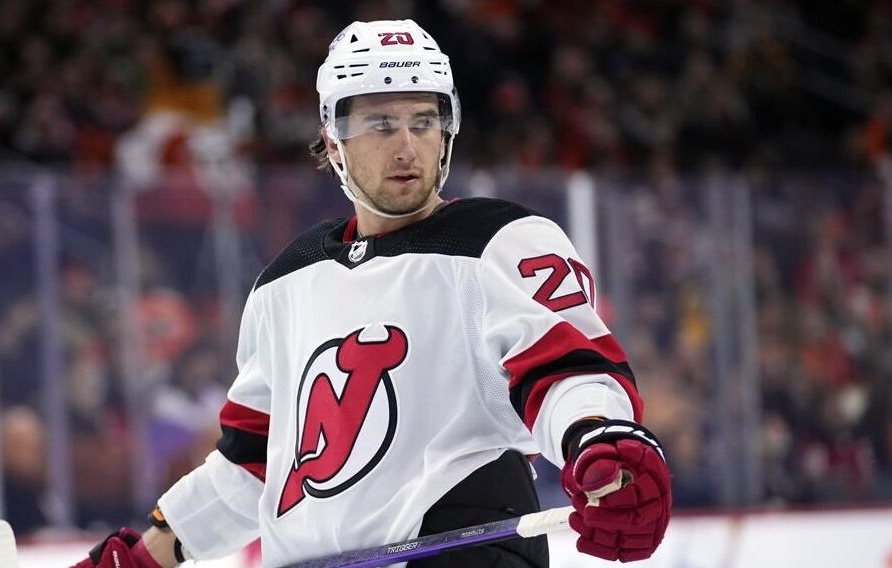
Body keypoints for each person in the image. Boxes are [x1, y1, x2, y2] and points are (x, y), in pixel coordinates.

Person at [74, 19, 671, 568]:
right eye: (381, 125)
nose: (407, 146)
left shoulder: (498, 241)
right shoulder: (284, 282)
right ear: (333, 140)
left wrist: (601, 440)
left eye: (424, 122)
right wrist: (143, 557)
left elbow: (568, 371)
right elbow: (251, 464)